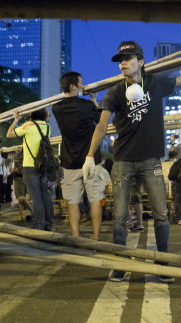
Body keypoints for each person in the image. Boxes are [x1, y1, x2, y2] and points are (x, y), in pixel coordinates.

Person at [83, 41, 181, 283]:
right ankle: (121, 262)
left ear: (141, 62)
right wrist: (90, 155)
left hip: (151, 161)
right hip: (123, 162)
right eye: (120, 60)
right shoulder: (114, 92)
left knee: (162, 214)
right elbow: (102, 125)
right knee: (121, 215)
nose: (123, 63)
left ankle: (163, 262)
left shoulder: (154, 83)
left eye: (128, 58)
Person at [52, 71, 104, 240]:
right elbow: (100, 120)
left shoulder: (56, 108)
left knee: (73, 201)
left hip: (69, 160)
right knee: (95, 198)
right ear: (73, 86)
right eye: (80, 82)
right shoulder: (86, 106)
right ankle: (95, 238)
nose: (82, 85)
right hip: (91, 158)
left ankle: (75, 236)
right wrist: (94, 99)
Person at [7, 108, 55, 231]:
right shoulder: (47, 127)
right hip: (43, 166)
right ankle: (50, 224)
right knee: (45, 195)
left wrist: (16, 119)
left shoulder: (28, 125)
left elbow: (9, 134)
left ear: (31, 114)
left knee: (36, 197)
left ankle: (39, 224)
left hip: (30, 166)